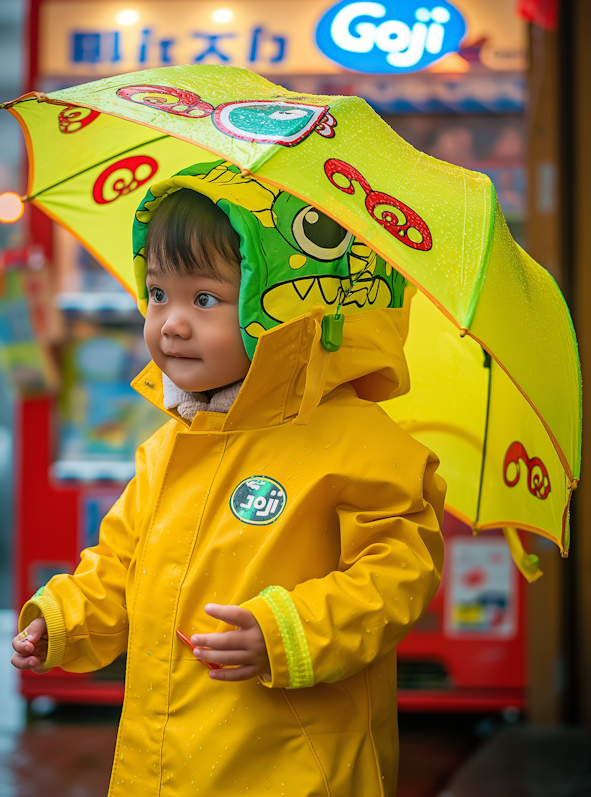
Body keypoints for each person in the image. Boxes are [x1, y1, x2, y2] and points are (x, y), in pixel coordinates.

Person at [11, 161, 445, 797]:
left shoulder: (360, 444)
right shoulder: (169, 445)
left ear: (291, 306)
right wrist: (66, 618)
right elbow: (120, 567)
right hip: (163, 765)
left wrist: (286, 632)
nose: (171, 323)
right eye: (158, 293)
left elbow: (397, 575)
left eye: (205, 299)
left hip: (292, 769)